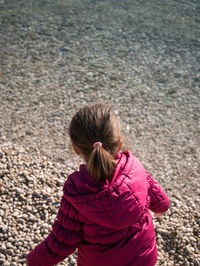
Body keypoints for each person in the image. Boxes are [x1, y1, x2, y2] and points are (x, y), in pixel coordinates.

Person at [26, 103, 170, 266]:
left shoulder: (78, 193)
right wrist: (162, 206)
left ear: (75, 149)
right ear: (120, 144)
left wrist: (35, 260)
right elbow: (155, 193)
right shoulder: (134, 167)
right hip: (144, 258)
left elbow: (62, 241)